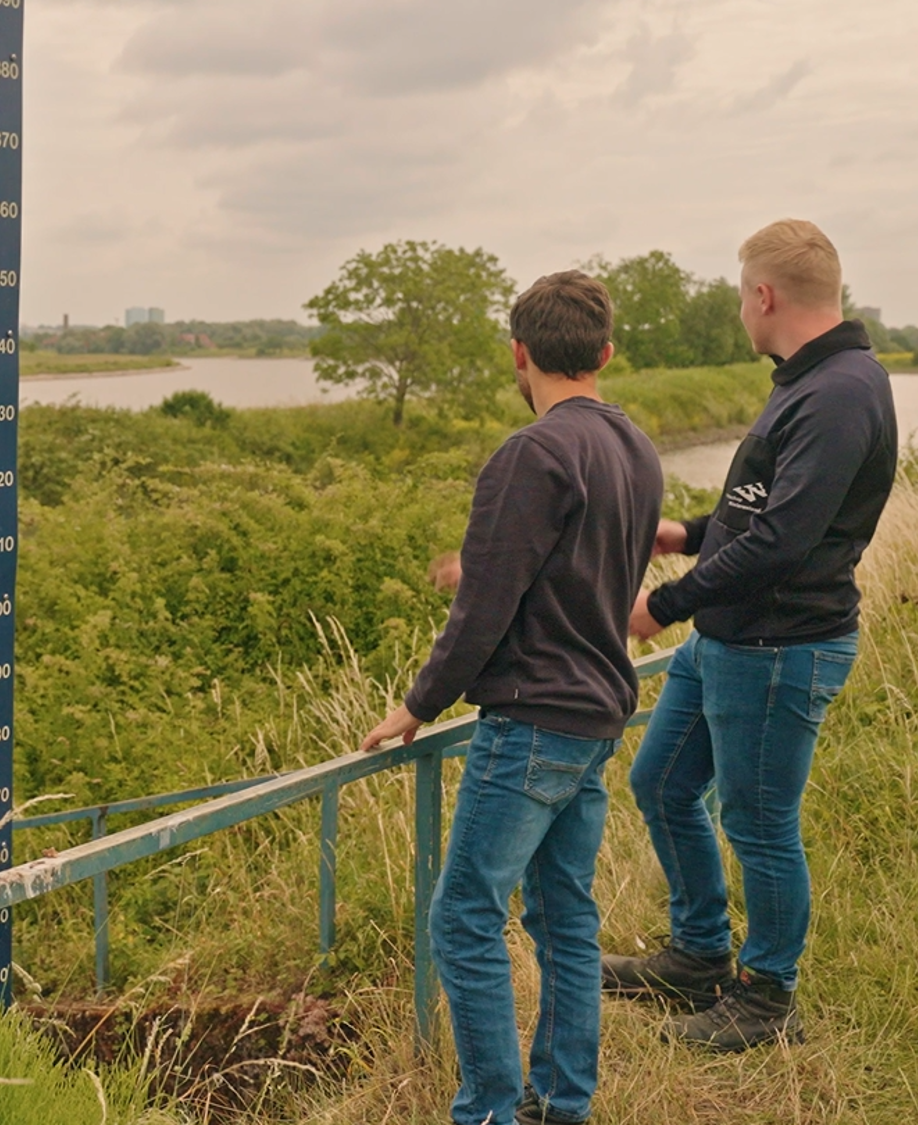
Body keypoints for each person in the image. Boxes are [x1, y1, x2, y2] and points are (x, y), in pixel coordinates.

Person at [361, 270, 662, 1125]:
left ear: (519, 353)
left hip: (533, 720)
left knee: (463, 917)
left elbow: (484, 606)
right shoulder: (635, 448)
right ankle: (563, 1103)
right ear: (606, 352)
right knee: (565, 915)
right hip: (598, 714)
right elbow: (584, 570)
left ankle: (490, 1110)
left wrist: (419, 703)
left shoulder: (532, 453)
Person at [601, 219, 898, 1052]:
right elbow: (760, 507)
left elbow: (784, 541)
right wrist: (687, 533)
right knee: (663, 782)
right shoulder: (806, 379)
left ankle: (768, 997)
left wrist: (664, 604)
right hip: (729, 639)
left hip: (779, 647)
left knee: (760, 822)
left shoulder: (840, 390)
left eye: (740, 295)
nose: (740, 311)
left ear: (764, 295)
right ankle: (697, 956)